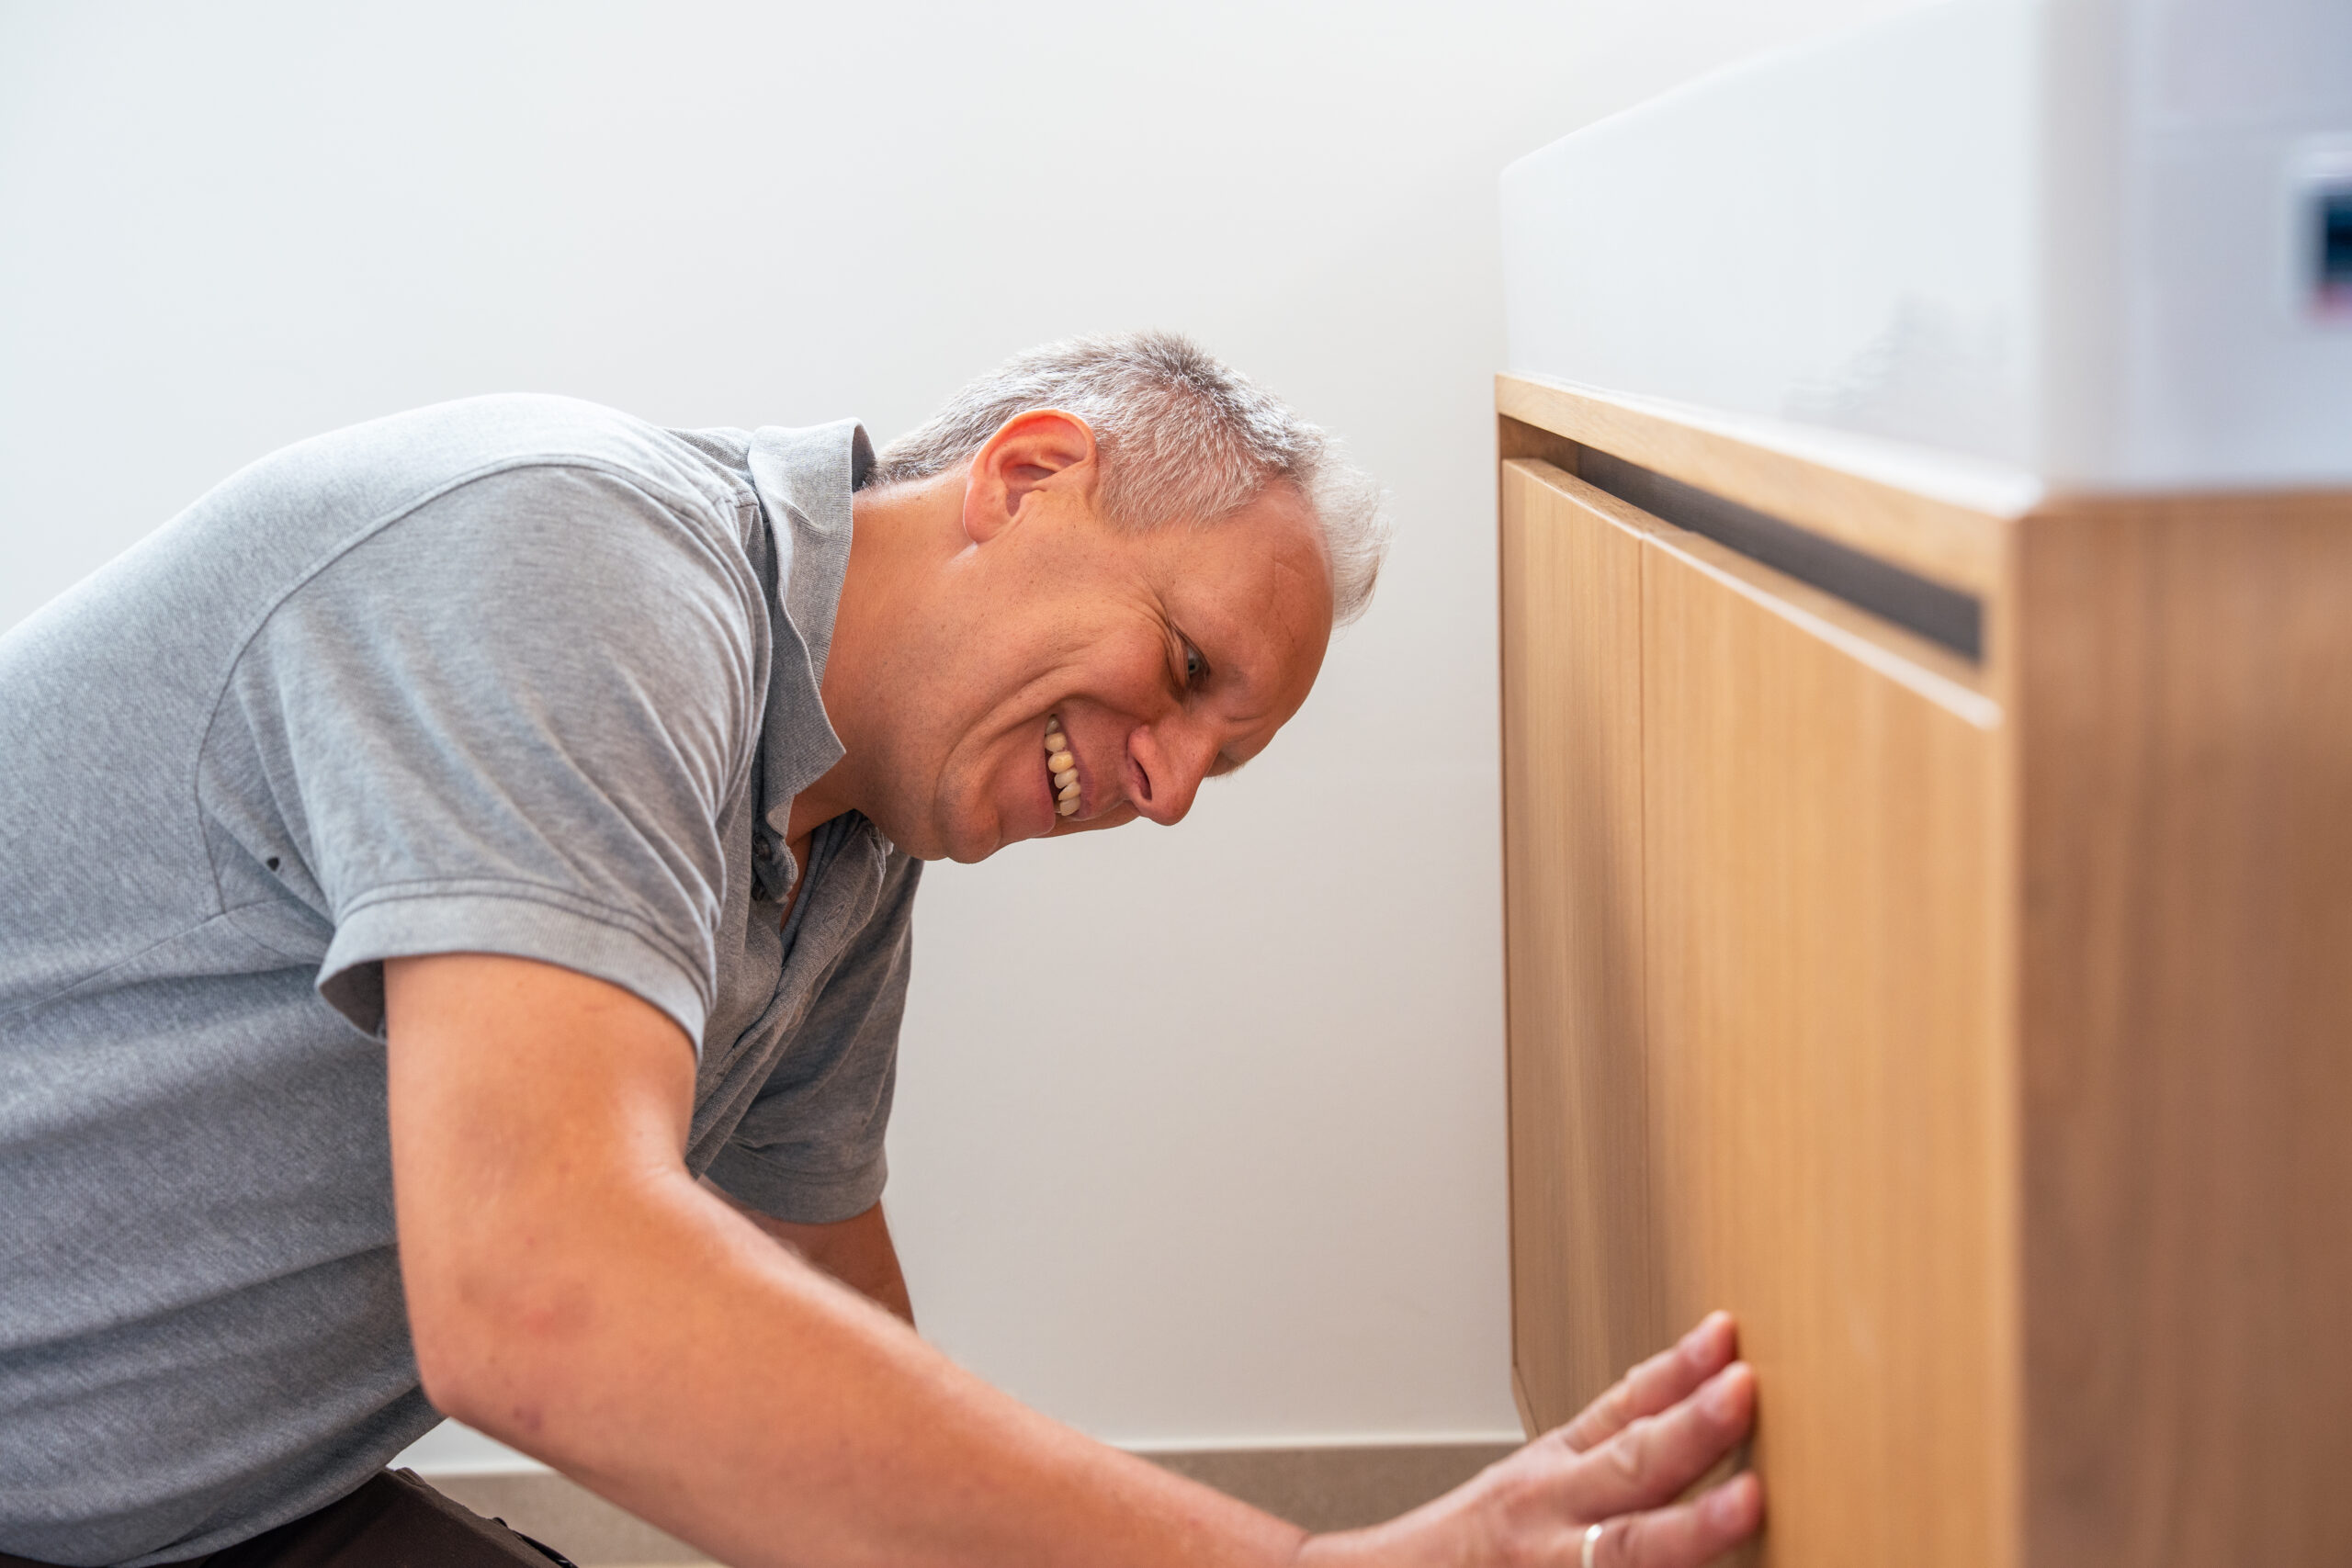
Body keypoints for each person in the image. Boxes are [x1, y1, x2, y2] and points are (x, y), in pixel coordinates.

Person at [0, 333, 1762, 1567]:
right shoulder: (569, 565)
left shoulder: (844, 852)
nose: (1167, 790)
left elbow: (842, 1346)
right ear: (1028, 474)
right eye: (1188, 675)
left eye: (1223, 762)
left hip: (197, 1513)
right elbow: (543, 1294)